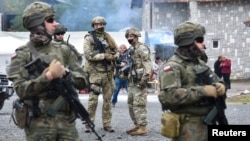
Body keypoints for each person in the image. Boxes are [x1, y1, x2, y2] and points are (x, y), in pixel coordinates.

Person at [6, 1, 88, 140]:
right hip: (38, 125)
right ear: (36, 24)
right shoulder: (22, 54)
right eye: (50, 20)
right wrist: (48, 76)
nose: (55, 23)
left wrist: (66, 73)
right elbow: (20, 90)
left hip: (66, 123)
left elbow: (83, 81)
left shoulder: (64, 50)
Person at [158, 21, 226, 141]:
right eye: (199, 40)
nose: (203, 44)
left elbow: (216, 81)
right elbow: (168, 97)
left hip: (209, 121)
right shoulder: (173, 66)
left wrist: (221, 86)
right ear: (187, 41)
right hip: (188, 129)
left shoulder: (199, 63)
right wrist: (202, 91)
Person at [83, 16, 119, 132]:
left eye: (102, 24)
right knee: (93, 100)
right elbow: (88, 55)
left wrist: (115, 56)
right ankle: (89, 123)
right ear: (94, 25)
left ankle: (107, 124)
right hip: (95, 73)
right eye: (98, 24)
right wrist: (104, 56)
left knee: (108, 101)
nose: (100, 26)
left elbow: (116, 50)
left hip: (108, 73)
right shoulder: (89, 38)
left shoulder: (108, 37)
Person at [125, 27, 152, 136]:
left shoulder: (142, 48)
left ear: (136, 37)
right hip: (132, 81)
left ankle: (143, 127)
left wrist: (144, 80)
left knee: (139, 104)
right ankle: (137, 124)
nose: (129, 38)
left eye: (131, 36)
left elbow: (147, 64)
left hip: (139, 81)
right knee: (131, 104)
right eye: (128, 37)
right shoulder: (131, 49)